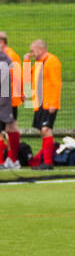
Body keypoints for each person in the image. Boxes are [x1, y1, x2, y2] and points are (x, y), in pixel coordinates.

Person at [23, 40, 61, 169]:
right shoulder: (39, 63)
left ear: (40, 49)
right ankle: (45, 161)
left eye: (32, 50)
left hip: (48, 102)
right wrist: (27, 61)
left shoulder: (52, 61)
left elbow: (56, 84)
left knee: (46, 130)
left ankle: (48, 162)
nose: (31, 53)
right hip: (39, 103)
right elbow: (28, 78)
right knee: (43, 132)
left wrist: (53, 103)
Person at [0, 33, 22, 168]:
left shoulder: (10, 56)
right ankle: (8, 159)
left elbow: (17, 77)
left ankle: (12, 159)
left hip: (9, 98)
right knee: (8, 128)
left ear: (2, 42)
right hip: (5, 97)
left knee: (11, 127)